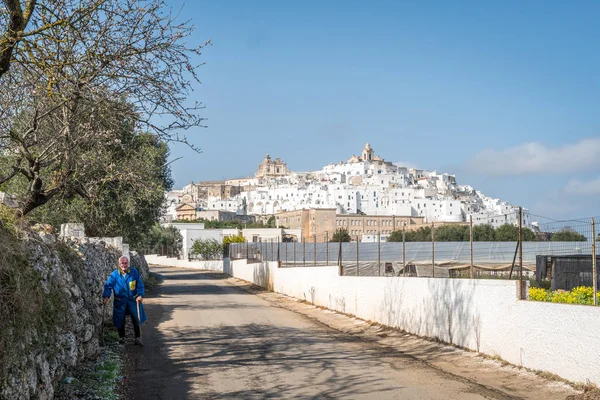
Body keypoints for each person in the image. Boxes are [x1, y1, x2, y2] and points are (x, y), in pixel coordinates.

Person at [103, 256, 146, 345]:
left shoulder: (134, 272)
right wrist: (106, 296)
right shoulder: (114, 274)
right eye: (122, 263)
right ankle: (122, 338)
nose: (124, 265)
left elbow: (140, 285)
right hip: (120, 301)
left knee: (136, 318)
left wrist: (140, 295)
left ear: (128, 264)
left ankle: (138, 338)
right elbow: (108, 286)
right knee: (120, 320)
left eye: (126, 263)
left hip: (133, 300)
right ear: (119, 264)